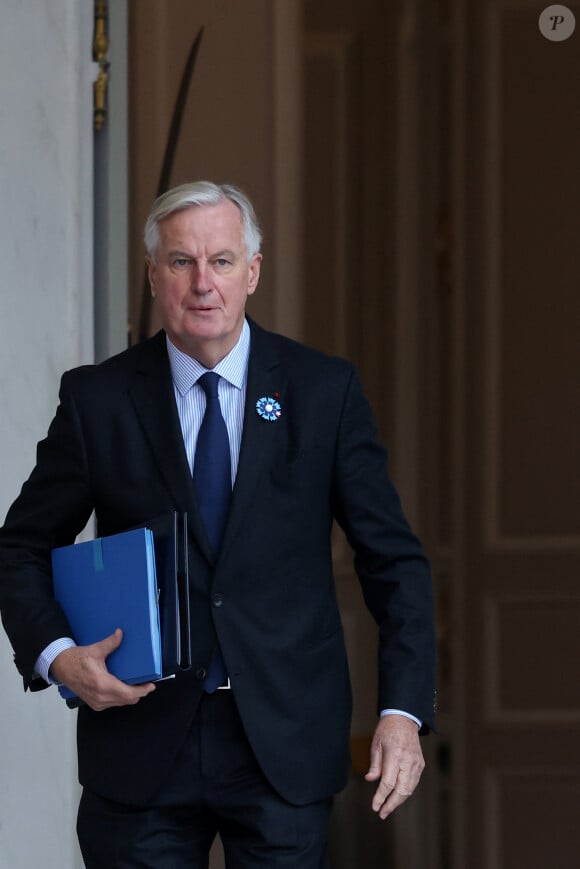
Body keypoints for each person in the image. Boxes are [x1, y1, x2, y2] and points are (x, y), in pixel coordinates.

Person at [0, 181, 436, 868]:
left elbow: (395, 563)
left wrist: (403, 712)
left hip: (282, 745)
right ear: (153, 275)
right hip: (138, 744)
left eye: (222, 261)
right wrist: (58, 655)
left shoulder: (324, 392)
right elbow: (20, 546)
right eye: (181, 262)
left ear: (253, 272)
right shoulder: (98, 400)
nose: (203, 282)